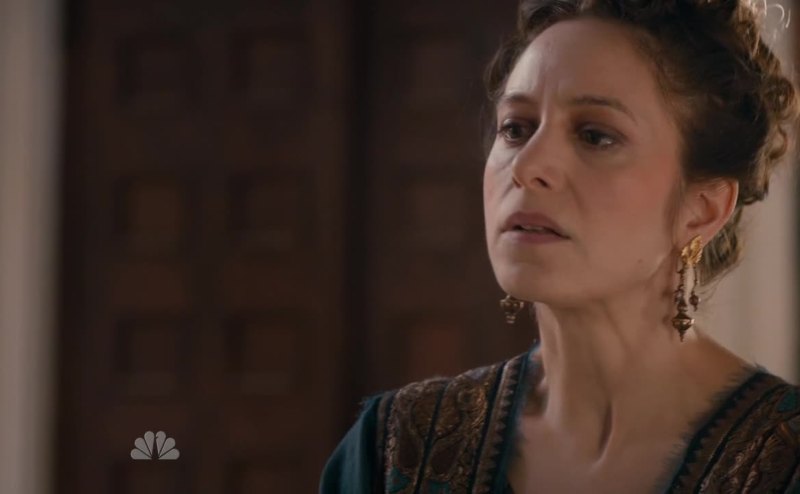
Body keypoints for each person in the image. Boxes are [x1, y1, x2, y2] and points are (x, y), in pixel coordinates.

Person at [320, 0, 800, 491]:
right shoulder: (397, 450)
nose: (527, 166)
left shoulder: (785, 462)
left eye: (595, 136)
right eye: (515, 129)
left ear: (701, 210)